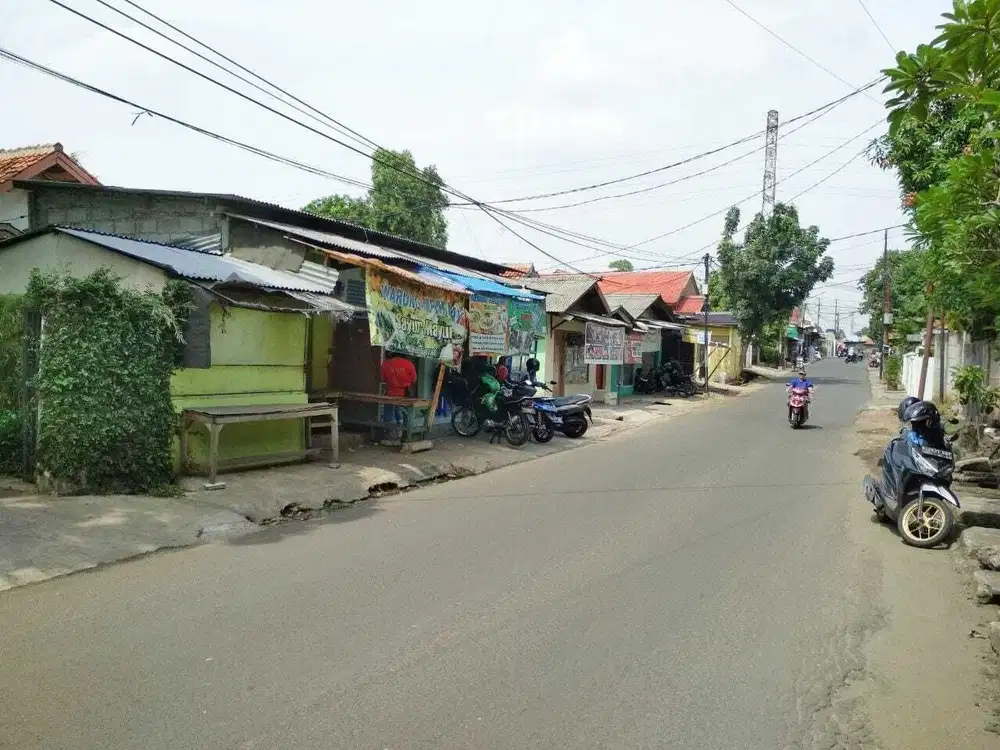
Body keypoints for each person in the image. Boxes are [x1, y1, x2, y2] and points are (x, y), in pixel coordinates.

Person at [380, 354, 417, 441]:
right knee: (406, 414)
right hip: (405, 394)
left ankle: (388, 435)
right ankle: (405, 434)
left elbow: (382, 379)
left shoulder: (385, 364)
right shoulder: (409, 364)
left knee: (388, 413)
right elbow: (414, 379)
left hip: (390, 393)